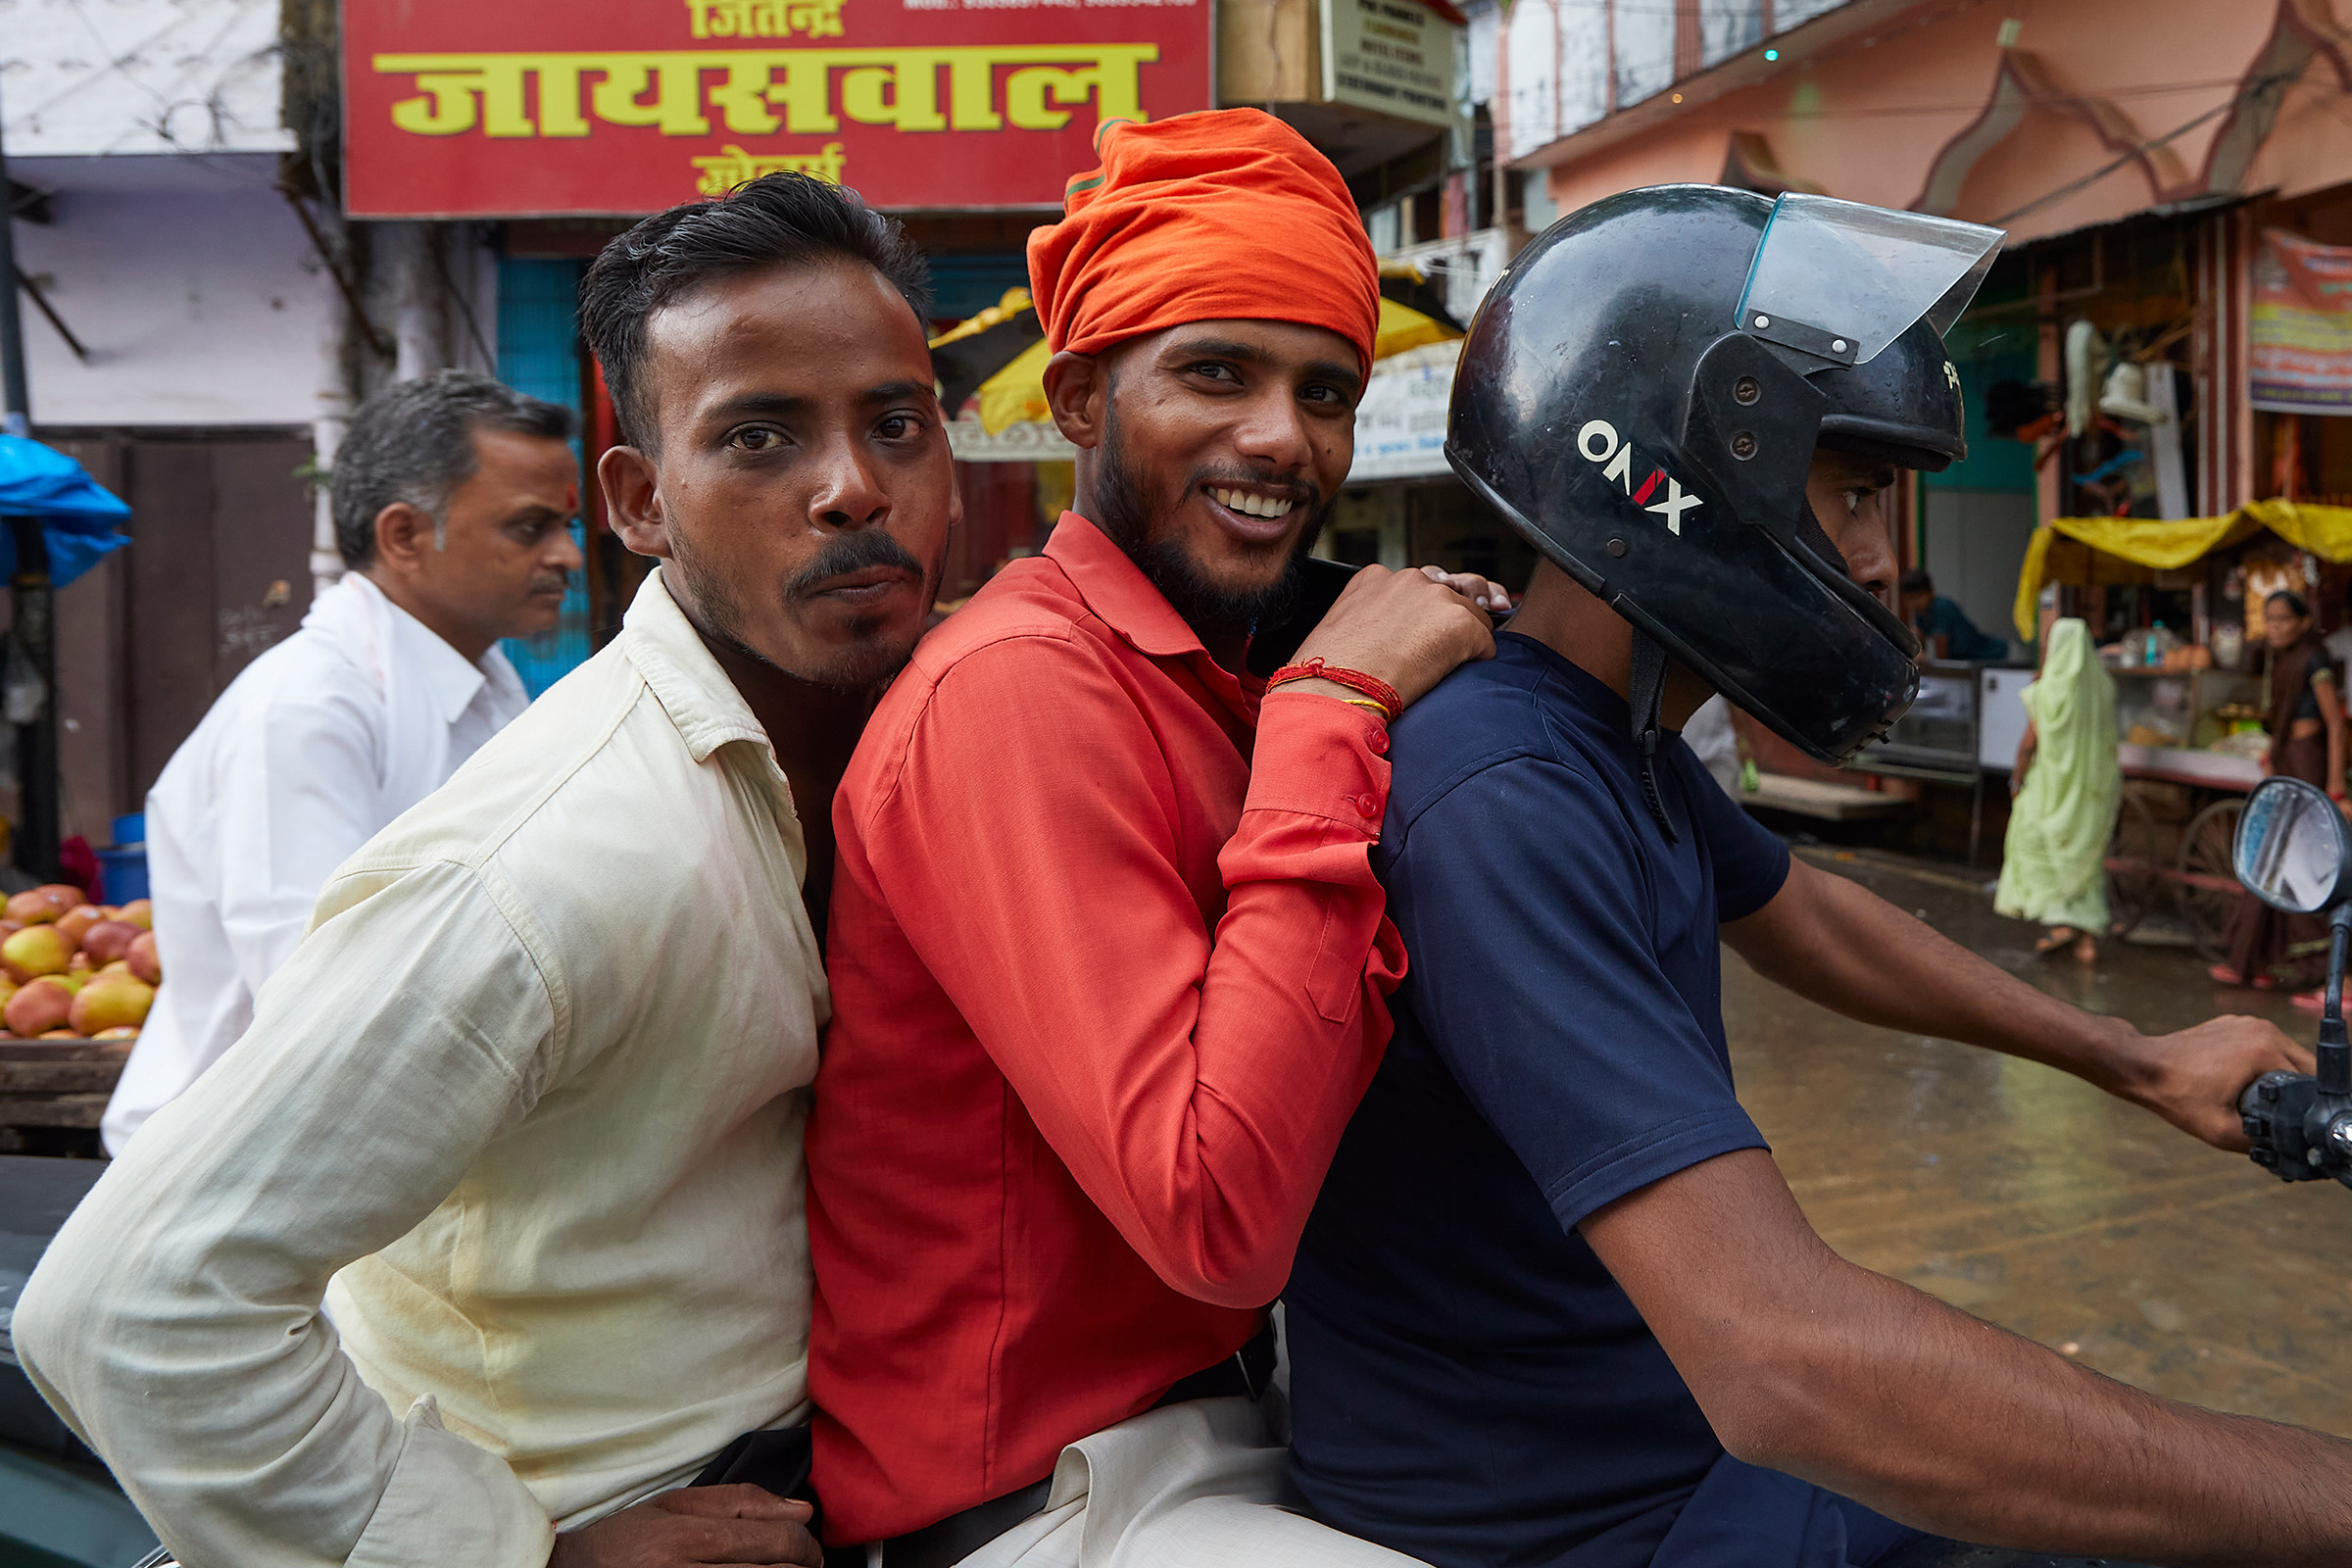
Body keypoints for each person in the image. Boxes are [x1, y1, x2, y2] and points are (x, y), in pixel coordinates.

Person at [1282, 185, 2341, 1568]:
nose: (1884, 561)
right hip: (1582, 1518)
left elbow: (1810, 918)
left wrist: (2135, 1059)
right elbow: (1780, 1355)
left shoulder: (1612, 739)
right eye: (1853, 495)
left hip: (1666, 1451)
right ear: (1675, 480)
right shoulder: (1505, 793)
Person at [17, 172, 957, 1568]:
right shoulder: (547, 861)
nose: (853, 488)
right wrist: (521, 1554)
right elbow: (132, 1308)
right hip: (606, 1499)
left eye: (896, 424)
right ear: (641, 502)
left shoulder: (878, 746)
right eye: (758, 437)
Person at [808, 109, 1504, 1568]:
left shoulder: (1196, 674)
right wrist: (1332, 708)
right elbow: (1217, 1215)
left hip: (1238, 1421)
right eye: (1216, 373)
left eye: (1324, 391)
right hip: (1054, 1501)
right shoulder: (1017, 688)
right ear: (1080, 400)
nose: (1283, 437)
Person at [100, 370, 576, 1153]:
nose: (567, 555)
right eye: (530, 528)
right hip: (241, 1162)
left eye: (566, 525)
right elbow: (317, 995)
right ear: (405, 537)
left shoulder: (490, 689)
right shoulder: (305, 707)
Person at [2216, 587, 2349, 999]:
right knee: (2270, 858)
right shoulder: (2279, 659)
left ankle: (2328, 971)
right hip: (2288, 759)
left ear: (2303, 622)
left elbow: (2335, 724)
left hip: (2309, 763)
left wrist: (2335, 784)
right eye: (2269, 619)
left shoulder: (2314, 660)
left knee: (2304, 861)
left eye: (2283, 619)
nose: (2274, 627)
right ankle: (2260, 962)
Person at [1994, 617, 2120, 963]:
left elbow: (2028, 745)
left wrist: (2016, 780)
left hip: (2050, 790)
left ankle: (2061, 924)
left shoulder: (2046, 692)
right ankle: (2086, 939)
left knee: (2037, 849)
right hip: (2094, 791)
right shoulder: (2104, 687)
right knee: (2085, 855)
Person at [1898, 567, 2006, 661]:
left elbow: (1941, 656)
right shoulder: (1921, 613)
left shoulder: (1941, 608)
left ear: (1930, 593)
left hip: (1997, 655)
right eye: (1910, 599)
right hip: (1973, 660)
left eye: (1918, 596)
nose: (1915, 603)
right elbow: (1918, 643)